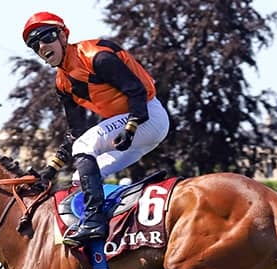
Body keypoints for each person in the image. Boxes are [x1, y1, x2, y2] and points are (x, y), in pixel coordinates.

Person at [22, 11, 169, 247]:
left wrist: (131, 127)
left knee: (85, 146)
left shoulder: (97, 57)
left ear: (63, 35)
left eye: (46, 37)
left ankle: (93, 222)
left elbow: (137, 91)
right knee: (79, 177)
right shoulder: (62, 83)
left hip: (148, 115)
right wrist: (50, 170)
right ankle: (119, 227)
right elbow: (76, 131)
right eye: (33, 44)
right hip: (133, 127)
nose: (41, 46)